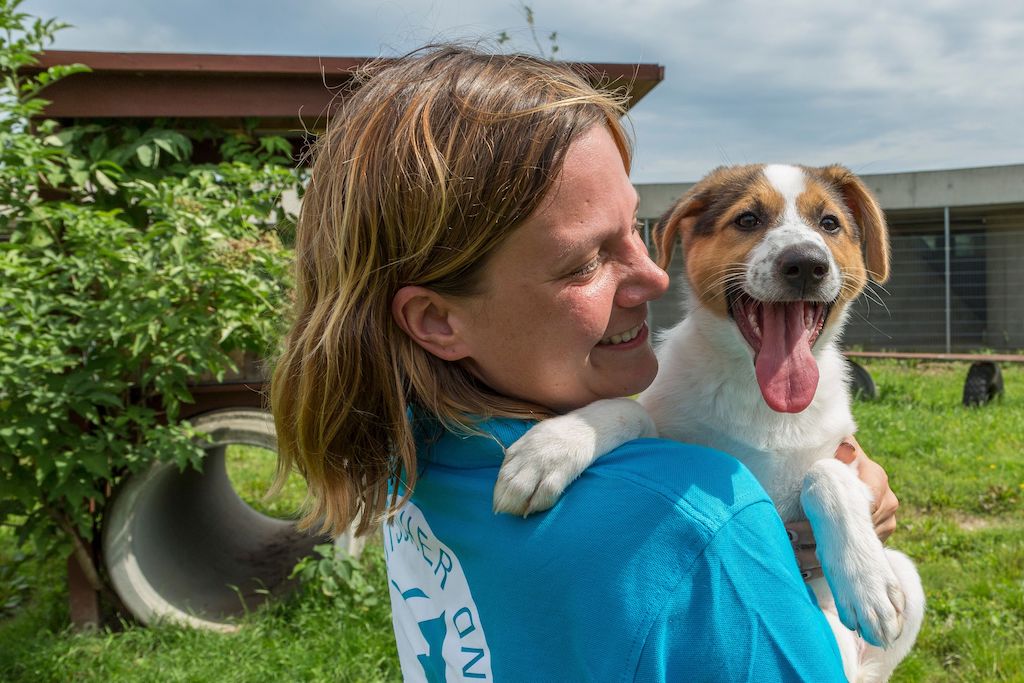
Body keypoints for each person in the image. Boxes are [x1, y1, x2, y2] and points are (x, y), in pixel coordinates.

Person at [271, 45, 898, 681]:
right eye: (585, 262)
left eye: (633, 228)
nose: (654, 279)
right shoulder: (702, 523)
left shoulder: (412, 453)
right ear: (437, 320)